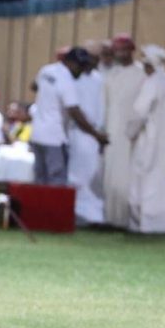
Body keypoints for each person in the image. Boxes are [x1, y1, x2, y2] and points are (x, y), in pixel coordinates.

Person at [28, 47, 108, 186]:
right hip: (54, 138)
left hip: (37, 135)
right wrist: (97, 135)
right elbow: (75, 112)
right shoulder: (66, 80)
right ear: (71, 63)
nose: (81, 71)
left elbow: (34, 86)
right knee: (56, 181)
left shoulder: (46, 70)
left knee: (40, 180)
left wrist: (49, 96)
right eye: (80, 67)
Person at [126, 45, 165, 234]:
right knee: (161, 184)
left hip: (149, 143)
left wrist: (129, 133)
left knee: (143, 184)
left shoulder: (152, 83)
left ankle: (144, 224)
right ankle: (160, 224)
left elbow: (139, 113)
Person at [103, 33, 146, 228]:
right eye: (117, 50)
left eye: (124, 50)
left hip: (133, 136)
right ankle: (112, 218)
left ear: (131, 51)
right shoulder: (111, 75)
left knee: (128, 178)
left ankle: (129, 220)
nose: (120, 53)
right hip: (112, 132)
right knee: (111, 177)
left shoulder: (142, 74)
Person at [70, 44, 106, 224]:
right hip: (76, 132)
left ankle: (91, 216)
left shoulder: (99, 79)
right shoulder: (73, 78)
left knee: (89, 175)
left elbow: (101, 108)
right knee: (75, 177)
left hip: (93, 134)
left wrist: (99, 133)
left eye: (96, 59)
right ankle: (76, 214)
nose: (93, 62)